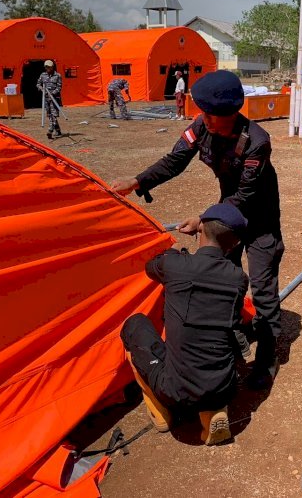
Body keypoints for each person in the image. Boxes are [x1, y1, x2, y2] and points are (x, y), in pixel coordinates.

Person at [111, 70, 284, 389]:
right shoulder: (201, 127)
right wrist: (139, 181)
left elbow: (245, 196)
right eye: (202, 111)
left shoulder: (256, 141)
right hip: (226, 213)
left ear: (230, 114)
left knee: (262, 287)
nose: (202, 118)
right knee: (221, 279)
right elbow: (175, 160)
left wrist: (205, 220)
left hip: (260, 220)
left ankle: (267, 358)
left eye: (209, 113)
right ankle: (231, 339)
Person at [121, 203, 249, 445]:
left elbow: (151, 267)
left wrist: (177, 252)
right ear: (234, 245)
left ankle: (161, 410)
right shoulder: (238, 279)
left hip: (177, 392)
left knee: (134, 325)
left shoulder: (174, 265)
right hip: (224, 387)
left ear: (200, 229)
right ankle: (212, 412)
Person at [37, 60, 63, 140]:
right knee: (50, 115)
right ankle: (58, 130)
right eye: (46, 67)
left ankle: (50, 130)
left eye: (48, 67)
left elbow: (59, 87)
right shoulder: (43, 75)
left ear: (52, 67)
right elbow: (38, 84)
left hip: (54, 98)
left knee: (54, 114)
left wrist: (52, 93)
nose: (47, 68)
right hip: (46, 99)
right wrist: (41, 89)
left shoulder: (57, 75)